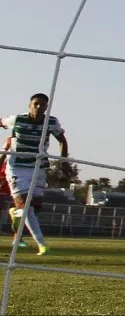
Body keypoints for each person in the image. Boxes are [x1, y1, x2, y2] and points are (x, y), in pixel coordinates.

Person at [0, 93, 70, 256]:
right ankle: (42, 244)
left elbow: (62, 139)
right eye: (36, 104)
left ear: (47, 107)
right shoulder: (17, 120)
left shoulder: (51, 122)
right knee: (26, 207)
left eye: (43, 105)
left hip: (38, 167)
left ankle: (15, 213)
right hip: (17, 167)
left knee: (35, 207)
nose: (39, 107)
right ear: (29, 105)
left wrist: (64, 161)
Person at [0, 137, 27, 249]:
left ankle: (17, 239)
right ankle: (17, 238)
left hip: (17, 175)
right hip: (10, 174)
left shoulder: (35, 139)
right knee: (23, 207)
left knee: (24, 208)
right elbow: (2, 155)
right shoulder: (11, 140)